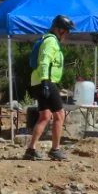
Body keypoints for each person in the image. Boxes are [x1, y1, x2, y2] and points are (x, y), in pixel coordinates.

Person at [25, 14, 75, 161]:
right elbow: (44, 60)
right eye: (67, 30)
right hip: (45, 81)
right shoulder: (51, 41)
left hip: (39, 81)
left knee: (45, 116)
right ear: (59, 29)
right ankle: (55, 149)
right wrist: (46, 81)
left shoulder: (49, 39)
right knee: (59, 115)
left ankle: (31, 149)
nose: (68, 33)